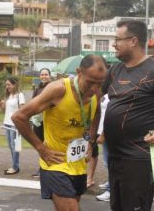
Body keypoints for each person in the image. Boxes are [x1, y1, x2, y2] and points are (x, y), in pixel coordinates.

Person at [12, 55, 107, 210]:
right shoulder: (59, 90)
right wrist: (41, 149)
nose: (94, 89)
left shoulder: (95, 93)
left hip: (78, 164)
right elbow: (19, 116)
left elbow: (96, 114)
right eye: (90, 82)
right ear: (79, 72)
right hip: (55, 165)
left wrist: (90, 141)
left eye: (100, 83)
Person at [102, 20, 154, 211]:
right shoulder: (115, 70)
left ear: (133, 41)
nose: (113, 44)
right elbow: (94, 95)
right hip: (115, 156)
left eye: (117, 39)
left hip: (139, 158)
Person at [0, 77, 25, 175]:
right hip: (7, 123)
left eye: (9, 84)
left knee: (15, 147)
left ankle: (15, 167)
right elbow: (4, 111)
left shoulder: (20, 95)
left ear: (15, 85)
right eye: (6, 85)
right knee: (10, 146)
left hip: (15, 124)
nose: (7, 86)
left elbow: (22, 110)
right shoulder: (9, 96)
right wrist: (1, 104)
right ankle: (14, 165)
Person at [31, 68, 52, 177]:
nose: (44, 76)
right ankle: (42, 166)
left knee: (48, 144)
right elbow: (33, 103)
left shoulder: (53, 87)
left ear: (50, 76)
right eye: (42, 74)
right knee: (39, 144)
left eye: (46, 74)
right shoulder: (37, 88)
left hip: (49, 121)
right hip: (38, 121)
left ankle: (47, 167)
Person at [95, 94, 111, 202]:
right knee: (107, 162)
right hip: (102, 131)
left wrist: (104, 134)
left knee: (112, 162)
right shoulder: (106, 93)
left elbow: (112, 116)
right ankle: (110, 182)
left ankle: (111, 191)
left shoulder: (118, 92)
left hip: (110, 132)